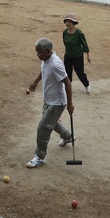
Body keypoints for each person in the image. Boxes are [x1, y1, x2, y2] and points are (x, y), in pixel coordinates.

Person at [26, 37, 74, 168]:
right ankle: (68, 136)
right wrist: (35, 82)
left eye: (39, 52)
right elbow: (43, 70)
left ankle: (40, 157)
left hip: (57, 102)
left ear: (47, 51)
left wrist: (70, 104)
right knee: (49, 123)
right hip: (49, 99)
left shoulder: (56, 64)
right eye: (36, 52)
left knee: (43, 128)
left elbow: (68, 83)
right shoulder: (45, 59)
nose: (37, 55)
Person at [62, 13, 92, 94]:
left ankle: (86, 84)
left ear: (73, 23)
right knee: (67, 73)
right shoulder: (65, 32)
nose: (67, 23)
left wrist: (88, 55)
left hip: (78, 56)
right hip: (68, 56)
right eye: (66, 21)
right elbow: (65, 43)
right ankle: (68, 87)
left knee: (79, 72)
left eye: (69, 22)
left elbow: (84, 44)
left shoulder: (79, 33)